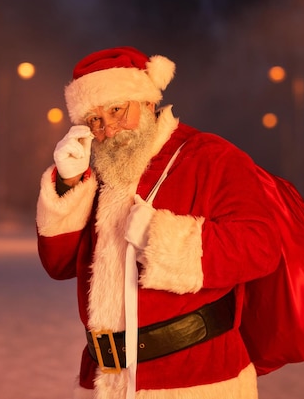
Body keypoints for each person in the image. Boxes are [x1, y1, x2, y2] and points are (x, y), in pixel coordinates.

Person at [36, 46, 282, 399]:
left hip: (198, 381)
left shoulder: (210, 157)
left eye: (117, 110)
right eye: (94, 120)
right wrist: (69, 183)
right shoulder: (100, 174)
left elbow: (261, 246)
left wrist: (161, 239)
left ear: (147, 102)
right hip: (107, 381)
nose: (107, 129)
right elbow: (59, 264)